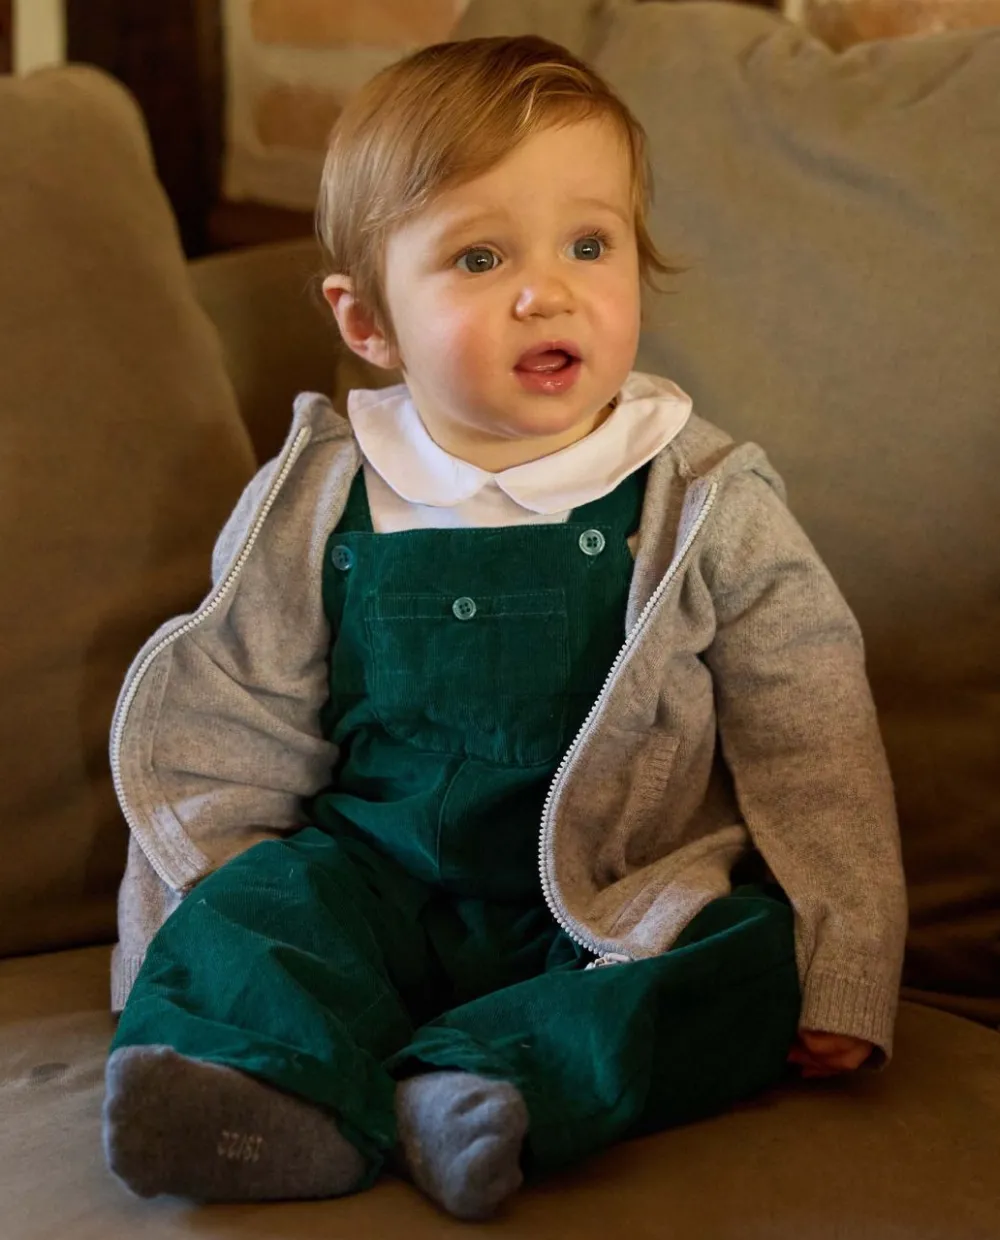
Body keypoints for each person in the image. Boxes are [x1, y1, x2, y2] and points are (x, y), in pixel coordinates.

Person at [101, 35, 908, 1221]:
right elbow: (226, 731)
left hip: (609, 902)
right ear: (369, 321)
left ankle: (482, 1086)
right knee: (251, 909)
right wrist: (171, 935)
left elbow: (813, 736)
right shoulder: (318, 491)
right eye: (480, 257)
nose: (547, 290)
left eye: (589, 244)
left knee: (744, 958)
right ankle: (256, 1091)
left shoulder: (703, 499)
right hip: (368, 881)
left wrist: (850, 962)